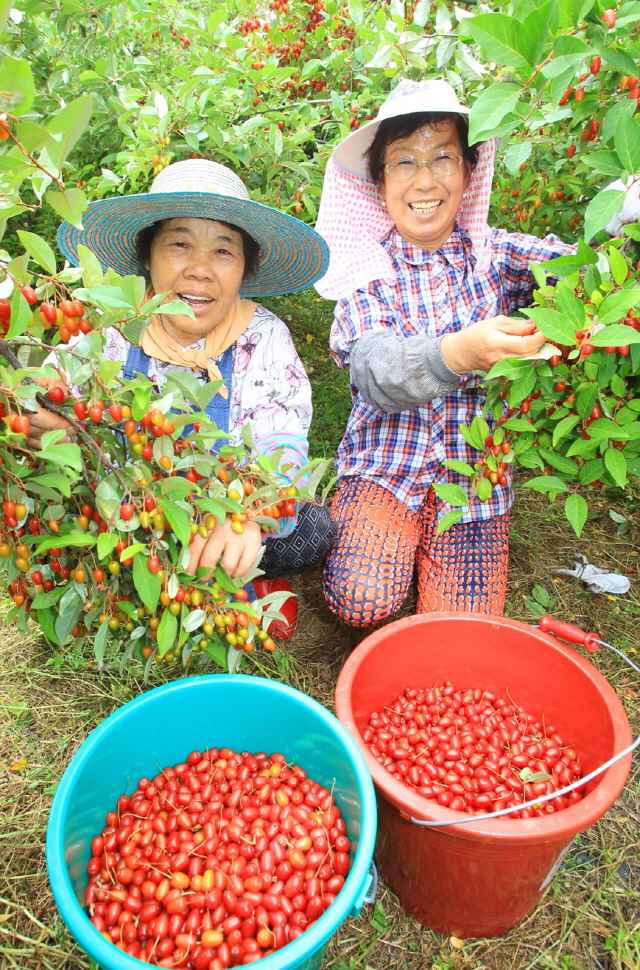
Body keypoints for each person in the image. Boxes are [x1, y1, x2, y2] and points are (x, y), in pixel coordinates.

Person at [28, 159, 337, 638]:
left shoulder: (262, 336)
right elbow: (50, 392)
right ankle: (139, 583)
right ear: (146, 256)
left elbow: (282, 437)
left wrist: (247, 514)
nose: (199, 269)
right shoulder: (108, 325)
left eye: (223, 250)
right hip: (131, 507)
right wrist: (49, 421)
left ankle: (245, 573)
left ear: (245, 268)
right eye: (179, 244)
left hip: (227, 509)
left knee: (312, 533)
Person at [314, 78, 577, 628]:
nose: (426, 179)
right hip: (384, 467)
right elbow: (377, 372)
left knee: (463, 629)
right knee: (360, 598)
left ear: (468, 171)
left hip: (474, 478)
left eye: (443, 158)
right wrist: (458, 353)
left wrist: (626, 228)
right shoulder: (366, 269)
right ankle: (389, 538)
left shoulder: (496, 254)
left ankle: (439, 547)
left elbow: (588, 276)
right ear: (380, 183)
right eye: (405, 162)